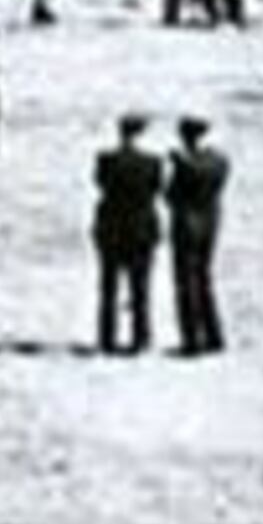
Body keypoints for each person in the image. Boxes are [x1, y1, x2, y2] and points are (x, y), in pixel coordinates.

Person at [91, 113, 165, 356]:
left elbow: (99, 184)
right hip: (141, 227)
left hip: (112, 226)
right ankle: (140, 337)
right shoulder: (152, 162)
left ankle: (107, 337)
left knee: (108, 287)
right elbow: (156, 189)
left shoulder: (106, 160)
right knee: (140, 287)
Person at [166, 115, 230, 356]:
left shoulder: (185, 164)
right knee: (204, 279)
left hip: (186, 224)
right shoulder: (218, 161)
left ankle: (191, 337)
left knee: (186, 283)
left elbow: (171, 194)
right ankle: (213, 334)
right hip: (211, 223)